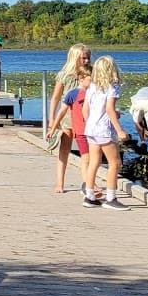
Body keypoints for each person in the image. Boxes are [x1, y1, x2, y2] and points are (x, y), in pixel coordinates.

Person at [80, 54, 131, 209]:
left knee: (94, 161)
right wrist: (120, 130)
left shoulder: (92, 87)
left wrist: (90, 123)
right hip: (104, 129)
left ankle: (89, 196)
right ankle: (111, 198)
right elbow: (109, 109)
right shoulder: (112, 87)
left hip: (91, 129)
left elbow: (85, 109)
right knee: (115, 163)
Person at [44, 43, 92, 192]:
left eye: (88, 58)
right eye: (83, 58)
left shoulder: (90, 75)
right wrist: (51, 119)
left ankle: (88, 182)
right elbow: (56, 97)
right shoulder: (64, 75)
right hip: (67, 117)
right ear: (75, 58)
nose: (86, 61)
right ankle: (60, 183)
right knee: (64, 149)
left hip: (84, 118)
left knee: (88, 153)